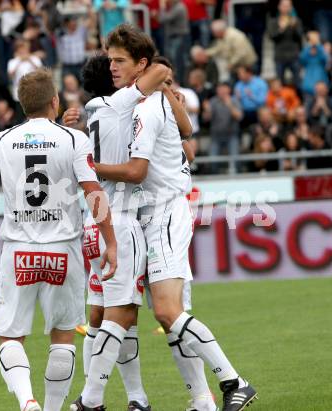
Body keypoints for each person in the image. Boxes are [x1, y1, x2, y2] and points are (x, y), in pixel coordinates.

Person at [94, 58, 258, 411]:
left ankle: (233, 382)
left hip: (164, 213)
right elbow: (187, 137)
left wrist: (89, 168)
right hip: (151, 216)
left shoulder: (151, 106)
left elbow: (147, 165)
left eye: (120, 60)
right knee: (169, 318)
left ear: (141, 67)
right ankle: (202, 400)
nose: (114, 68)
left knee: (168, 313)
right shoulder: (153, 103)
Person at [0, 68, 117, 411]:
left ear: (22, 105)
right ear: (55, 101)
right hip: (63, 250)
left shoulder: (2, 140)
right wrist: (111, 242)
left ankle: (27, 402)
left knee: (9, 336)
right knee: (63, 338)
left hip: (18, 250)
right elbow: (94, 193)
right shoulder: (73, 139)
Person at [65, 25, 171, 411]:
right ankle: (90, 400)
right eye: (111, 63)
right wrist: (150, 72)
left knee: (101, 315)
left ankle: (136, 398)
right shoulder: (119, 104)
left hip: (91, 224)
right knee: (122, 314)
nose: (114, 67)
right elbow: (159, 70)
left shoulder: (92, 112)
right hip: (120, 221)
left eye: (118, 61)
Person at [267, 0, 303, 85]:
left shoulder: (296, 21)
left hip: (294, 55)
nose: (286, 8)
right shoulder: (274, 21)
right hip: (280, 56)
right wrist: (281, 29)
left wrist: (294, 27)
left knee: (298, 82)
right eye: (284, 6)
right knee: (279, 82)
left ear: (291, 8)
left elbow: (300, 36)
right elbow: (272, 37)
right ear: (279, 7)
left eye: (288, 6)